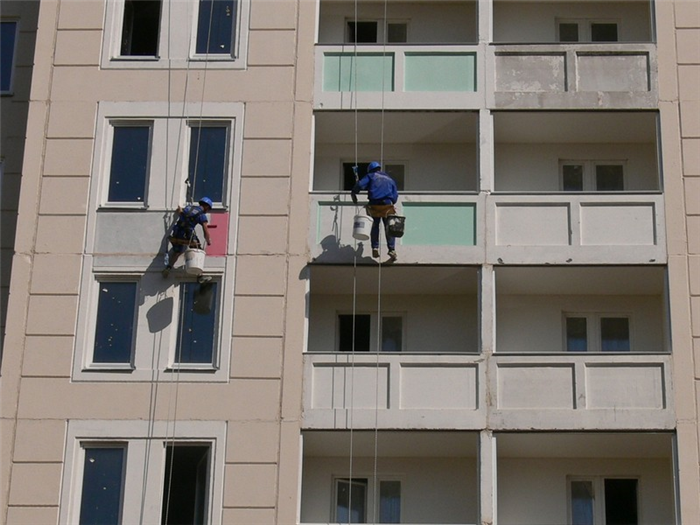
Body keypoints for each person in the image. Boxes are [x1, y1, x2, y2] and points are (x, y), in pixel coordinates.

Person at [351, 161, 398, 261]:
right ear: (379, 169)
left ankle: (375, 247)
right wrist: (391, 202)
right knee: (389, 227)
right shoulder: (390, 179)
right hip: (387, 205)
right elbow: (395, 196)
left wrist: (354, 193)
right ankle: (392, 249)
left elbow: (360, 185)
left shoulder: (371, 176)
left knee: (374, 226)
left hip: (375, 204)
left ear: (370, 170)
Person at [162, 197, 213, 277]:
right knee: (197, 249)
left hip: (177, 232)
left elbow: (179, 210)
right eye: (208, 209)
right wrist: (208, 240)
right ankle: (200, 275)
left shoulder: (188, 208)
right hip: (187, 234)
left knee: (177, 252)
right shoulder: (201, 215)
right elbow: (205, 229)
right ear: (206, 206)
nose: (207, 211)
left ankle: (168, 268)